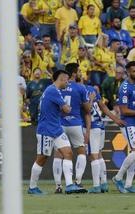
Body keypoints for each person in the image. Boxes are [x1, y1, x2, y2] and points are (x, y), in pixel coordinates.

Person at [28, 69, 85, 194]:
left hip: (57, 129)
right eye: (67, 80)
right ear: (62, 79)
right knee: (42, 158)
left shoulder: (54, 90)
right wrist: (69, 107)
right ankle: (32, 187)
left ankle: (69, 185)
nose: (68, 83)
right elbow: (66, 109)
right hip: (46, 129)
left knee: (68, 153)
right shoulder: (53, 90)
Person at [52, 63, 91, 193]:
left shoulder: (57, 87)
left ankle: (58, 185)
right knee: (81, 151)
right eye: (79, 71)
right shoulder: (80, 88)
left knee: (59, 154)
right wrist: (90, 100)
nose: (80, 72)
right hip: (75, 124)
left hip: (60, 124)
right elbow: (87, 109)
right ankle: (77, 182)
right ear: (73, 73)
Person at [85, 82, 124, 193]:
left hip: (92, 126)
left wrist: (87, 131)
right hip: (100, 125)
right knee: (99, 154)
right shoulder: (91, 89)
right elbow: (103, 106)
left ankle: (96, 186)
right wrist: (115, 119)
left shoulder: (79, 91)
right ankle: (104, 184)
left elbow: (87, 110)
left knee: (93, 156)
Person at [112, 61, 135, 194]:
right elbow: (124, 110)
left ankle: (129, 184)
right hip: (128, 123)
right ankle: (118, 177)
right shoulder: (124, 88)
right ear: (128, 72)